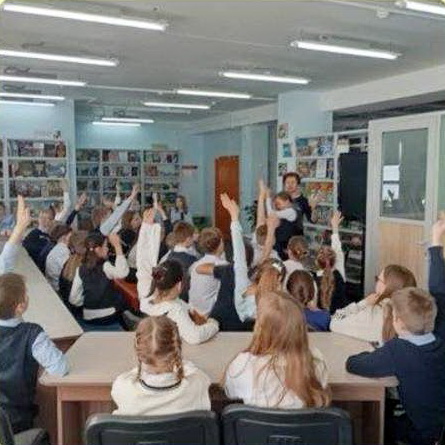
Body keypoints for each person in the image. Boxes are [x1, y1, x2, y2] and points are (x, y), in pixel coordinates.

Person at [346, 287, 445, 445]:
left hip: (424, 432)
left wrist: (368, 354)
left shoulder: (398, 350)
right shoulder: (440, 343)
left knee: (378, 423)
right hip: (438, 424)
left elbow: (353, 364)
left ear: (398, 321)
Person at [224, 291, 330, 408]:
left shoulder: (243, 365)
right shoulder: (316, 361)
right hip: (308, 419)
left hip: (255, 420)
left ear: (259, 328)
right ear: (300, 326)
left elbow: (230, 393)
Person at [137, 208, 219, 344]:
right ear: (179, 285)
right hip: (169, 352)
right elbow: (195, 337)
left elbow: (143, 262)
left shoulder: (146, 296)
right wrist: (213, 324)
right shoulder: (175, 310)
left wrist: (146, 228)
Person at [0, 272, 68, 433]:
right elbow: (60, 368)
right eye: (26, 293)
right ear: (20, 306)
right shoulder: (32, 334)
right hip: (17, 421)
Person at [112, 316, 211, 415]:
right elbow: (193, 370)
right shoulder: (198, 383)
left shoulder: (123, 386)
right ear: (176, 347)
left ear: (138, 350)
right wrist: (179, 362)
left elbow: (132, 375)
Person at [330, 264, 416, 344]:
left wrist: (362, 304)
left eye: (378, 279)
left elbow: (334, 322)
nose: (376, 282)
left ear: (386, 287)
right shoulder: (415, 317)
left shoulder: (370, 313)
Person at [69, 232, 130, 325]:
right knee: (122, 301)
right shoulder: (105, 266)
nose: (107, 249)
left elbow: (73, 299)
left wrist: (89, 301)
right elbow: (123, 273)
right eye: (105, 246)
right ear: (98, 249)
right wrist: (118, 247)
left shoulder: (80, 269)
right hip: (108, 315)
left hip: (88, 316)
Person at [314, 211, 348, 315]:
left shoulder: (314, 280)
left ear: (317, 262)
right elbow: (337, 247)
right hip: (340, 318)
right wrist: (335, 227)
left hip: (321, 320)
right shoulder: (339, 272)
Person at [189, 227, 227, 316]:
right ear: (221, 243)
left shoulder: (195, 264)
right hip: (209, 314)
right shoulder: (222, 265)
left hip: (192, 311)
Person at [0, 196, 31, 275]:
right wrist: (18, 229)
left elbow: (12, 234)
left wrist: (18, 229)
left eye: (0, 209)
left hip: (12, 249)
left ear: (4, 210)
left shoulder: (9, 219)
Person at [45, 224, 72, 292]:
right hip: (57, 288)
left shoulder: (56, 248)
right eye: (71, 235)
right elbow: (67, 272)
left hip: (52, 284)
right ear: (64, 237)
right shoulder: (63, 251)